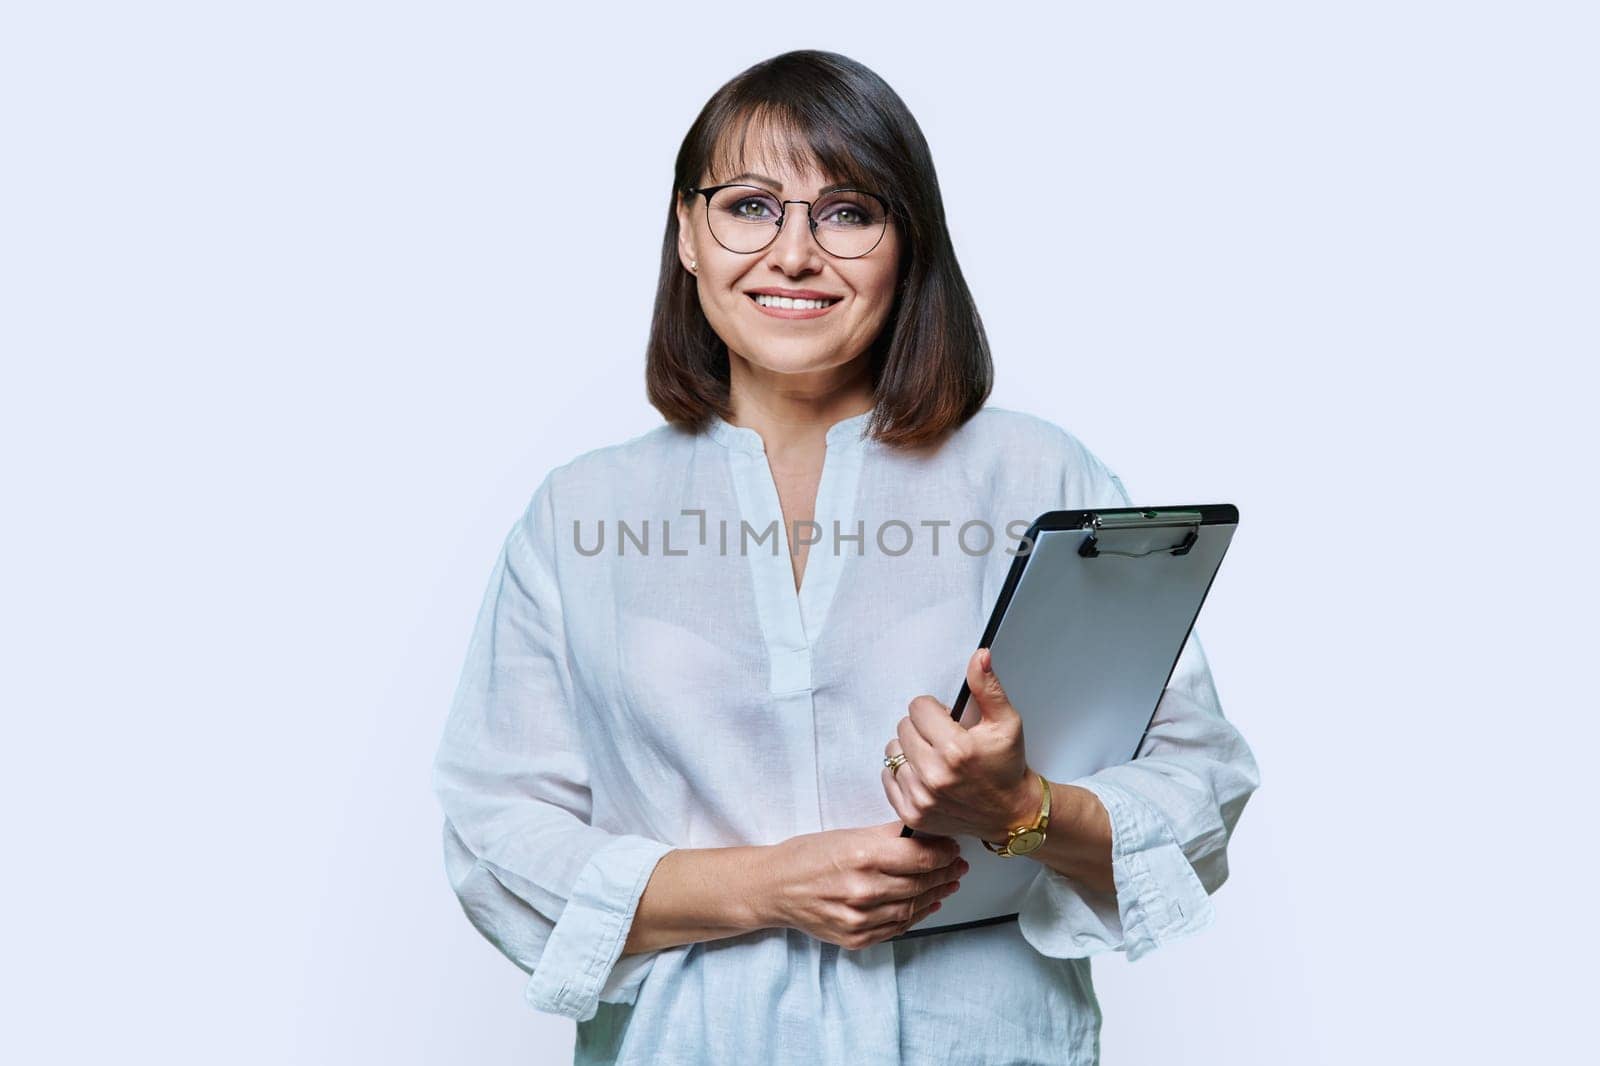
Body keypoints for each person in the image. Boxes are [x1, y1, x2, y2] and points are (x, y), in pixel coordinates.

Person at [431, 49, 1260, 1066]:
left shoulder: (1037, 470)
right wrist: (766, 883)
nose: (791, 254)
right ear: (687, 234)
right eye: (748, 206)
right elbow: (495, 829)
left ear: (906, 244)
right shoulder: (582, 510)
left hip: (983, 1040)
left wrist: (1021, 810)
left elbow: (1198, 778)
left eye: (849, 212)